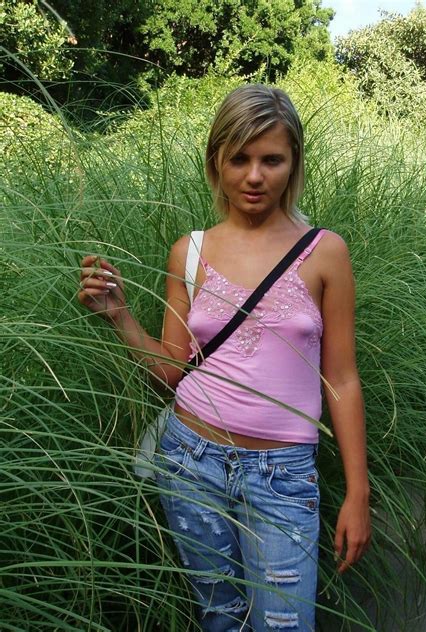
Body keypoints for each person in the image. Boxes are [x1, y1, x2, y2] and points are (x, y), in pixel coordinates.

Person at [78, 84, 371, 631]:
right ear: (216, 162)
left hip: (282, 476)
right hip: (189, 460)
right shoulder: (189, 251)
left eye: (271, 159)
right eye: (239, 158)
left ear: (294, 163)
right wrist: (119, 314)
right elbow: (170, 370)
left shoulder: (325, 252)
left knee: (284, 624)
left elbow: (342, 380)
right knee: (220, 616)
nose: (254, 176)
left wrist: (358, 491)